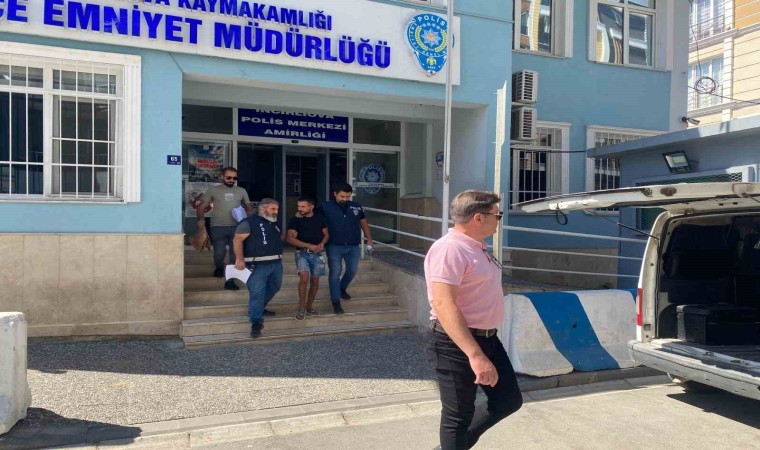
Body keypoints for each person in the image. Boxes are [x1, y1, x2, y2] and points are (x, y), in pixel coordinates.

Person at [423, 190, 522, 450]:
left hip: (488, 338)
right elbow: (444, 305)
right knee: (458, 416)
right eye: (497, 215)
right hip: (455, 342)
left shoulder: (476, 247)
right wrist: (475, 355)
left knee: (507, 400)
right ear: (479, 218)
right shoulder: (450, 250)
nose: (499, 220)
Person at [233, 198, 283, 338]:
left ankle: (259, 308)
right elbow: (237, 240)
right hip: (256, 265)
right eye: (273, 209)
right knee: (257, 293)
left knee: (275, 287)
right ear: (262, 208)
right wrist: (239, 259)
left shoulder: (274, 223)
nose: (276, 212)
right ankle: (256, 322)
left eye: (277, 209)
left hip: (276, 263)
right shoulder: (248, 222)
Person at [196, 167, 254, 290]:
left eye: (234, 178)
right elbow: (201, 207)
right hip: (218, 226)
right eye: (228, 177)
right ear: (222, 176)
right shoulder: (213, 190)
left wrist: (248, 220)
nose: (231, 180)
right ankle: (219, 266)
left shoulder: (241, 191)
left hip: (237, 227)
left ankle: (230, 280)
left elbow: (249, 208)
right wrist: (200, 220)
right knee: (219, 252)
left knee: (235, 254)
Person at [321, 182, 373, 315]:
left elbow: (363, 222)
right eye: (342, 196)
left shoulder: (356, 206)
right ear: (335, 194)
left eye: (347, 196)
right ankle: (335, 301)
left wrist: (369, 239)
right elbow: (314, 219)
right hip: (334, 245)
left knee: (352, 270)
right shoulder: (325, 206)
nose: (345, 199)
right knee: (335, 273)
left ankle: (341, 288)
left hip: (352, 245)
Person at [285, 197, 329, 320]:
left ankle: (309, 307)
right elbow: (289, 238)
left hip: (318, 254)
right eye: (298, 206)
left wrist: (322, 244)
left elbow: (326, 234)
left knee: (315, 281)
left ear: (311, 207)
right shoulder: (295, 220)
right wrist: (309, 245)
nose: (300, 209)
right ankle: (301, 308)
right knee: (304, 277)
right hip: (302, 253)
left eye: (303, 206)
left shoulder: (320, 218)